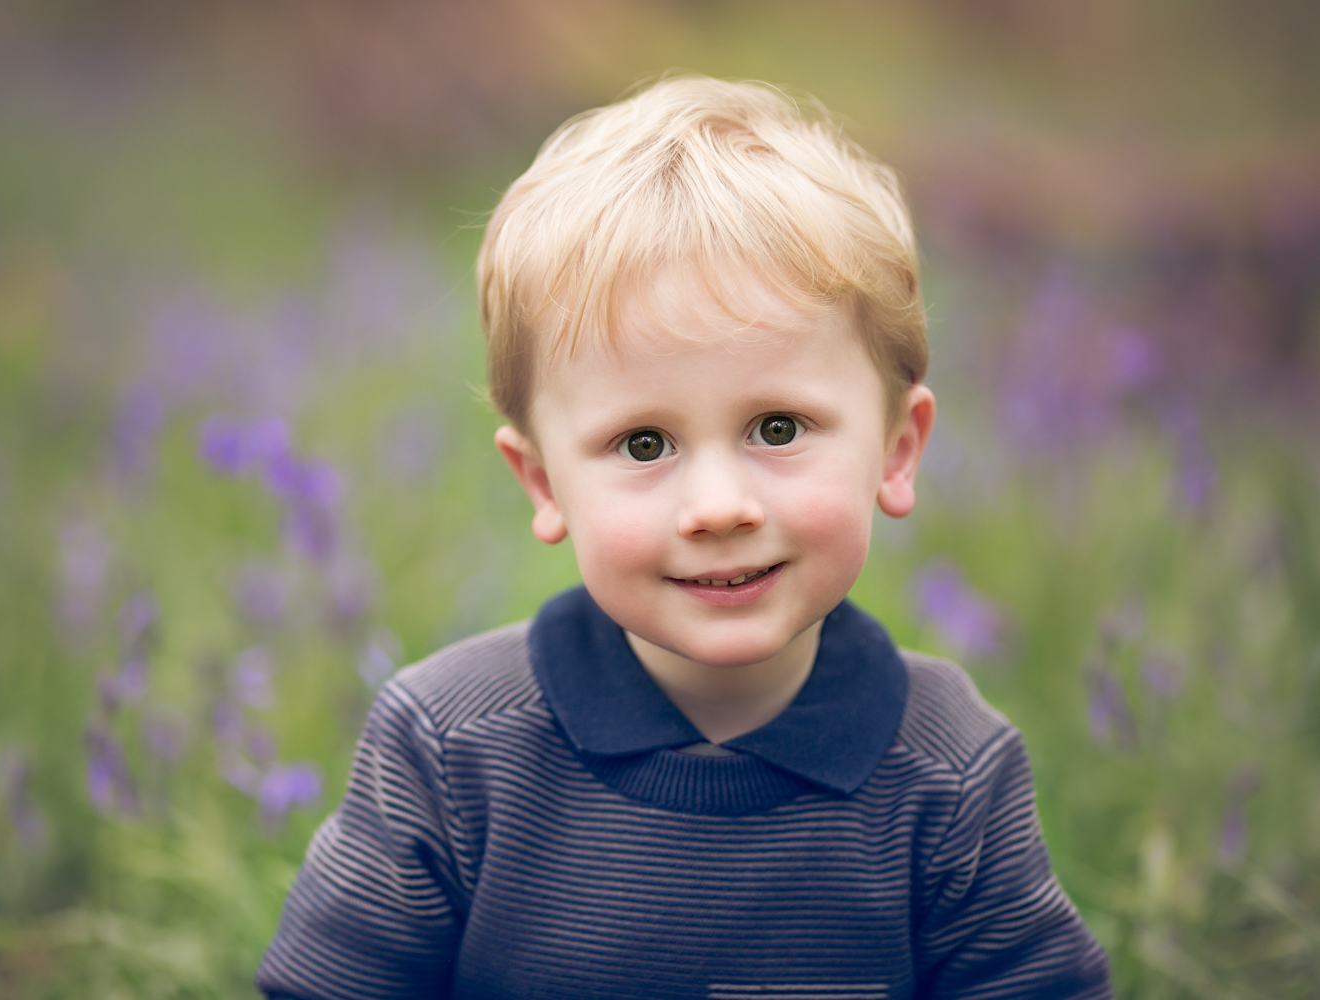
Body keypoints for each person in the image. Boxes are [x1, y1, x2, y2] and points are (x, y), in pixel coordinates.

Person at [257, 75, 1111, 999]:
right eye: (644, 443)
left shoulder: (948, 774)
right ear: (544, 484)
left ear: (897, 452)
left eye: (777, 428)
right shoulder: (451, 747)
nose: (717, 505)